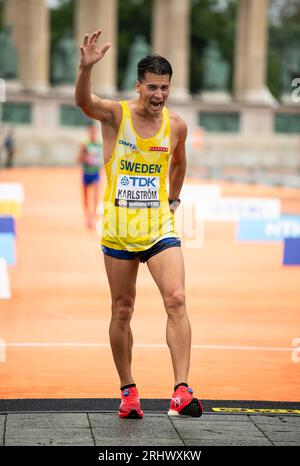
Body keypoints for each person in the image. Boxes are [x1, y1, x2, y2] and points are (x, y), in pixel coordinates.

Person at [75, 29, 203, 419]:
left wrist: (173, 201)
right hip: (119, 230)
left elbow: (179, 162)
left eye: (165, 88)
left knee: (177, 299)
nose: (158, 95)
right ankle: (128, 391)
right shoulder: (117, 115)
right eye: (152, 87)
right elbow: (83, 102)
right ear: (138, 85)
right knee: (122, 310)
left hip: (158, 228)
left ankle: (181, 390)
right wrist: (85, 68)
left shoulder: (175, 126)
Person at [77, 124, 102, 229]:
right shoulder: (85, 145)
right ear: (88, 133)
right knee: (86, 197)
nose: (93, 135)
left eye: (94, 133)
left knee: (96, 196)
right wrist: (84, 155)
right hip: (86, 173)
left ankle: (94, 216)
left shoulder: (99, 144)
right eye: (91, 133)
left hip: (95, 173)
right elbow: (78, 159)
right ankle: (88, 215)